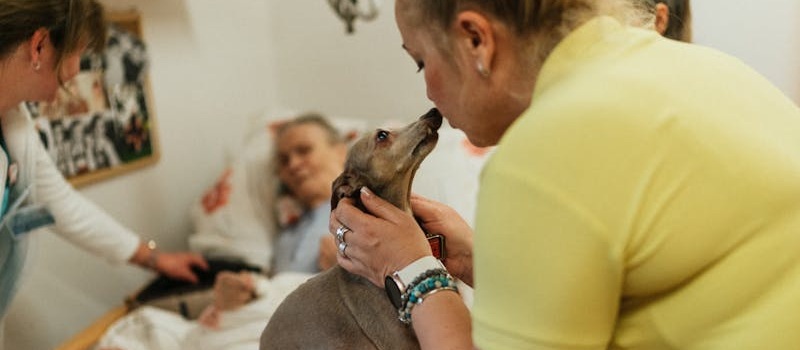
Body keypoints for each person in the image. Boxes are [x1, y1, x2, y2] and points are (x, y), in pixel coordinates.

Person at [329, 0, 800, 349]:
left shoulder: (545, 148)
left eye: (421, 62)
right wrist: (474, 258)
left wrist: (412, 272)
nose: (429, 91)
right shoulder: (712, 69)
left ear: (476, 38)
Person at [0, 0, 208, 322]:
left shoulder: (15, 122)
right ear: (39, 46)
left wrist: (154, 258)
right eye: (78, 52)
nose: (77, 69)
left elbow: (57, 204)